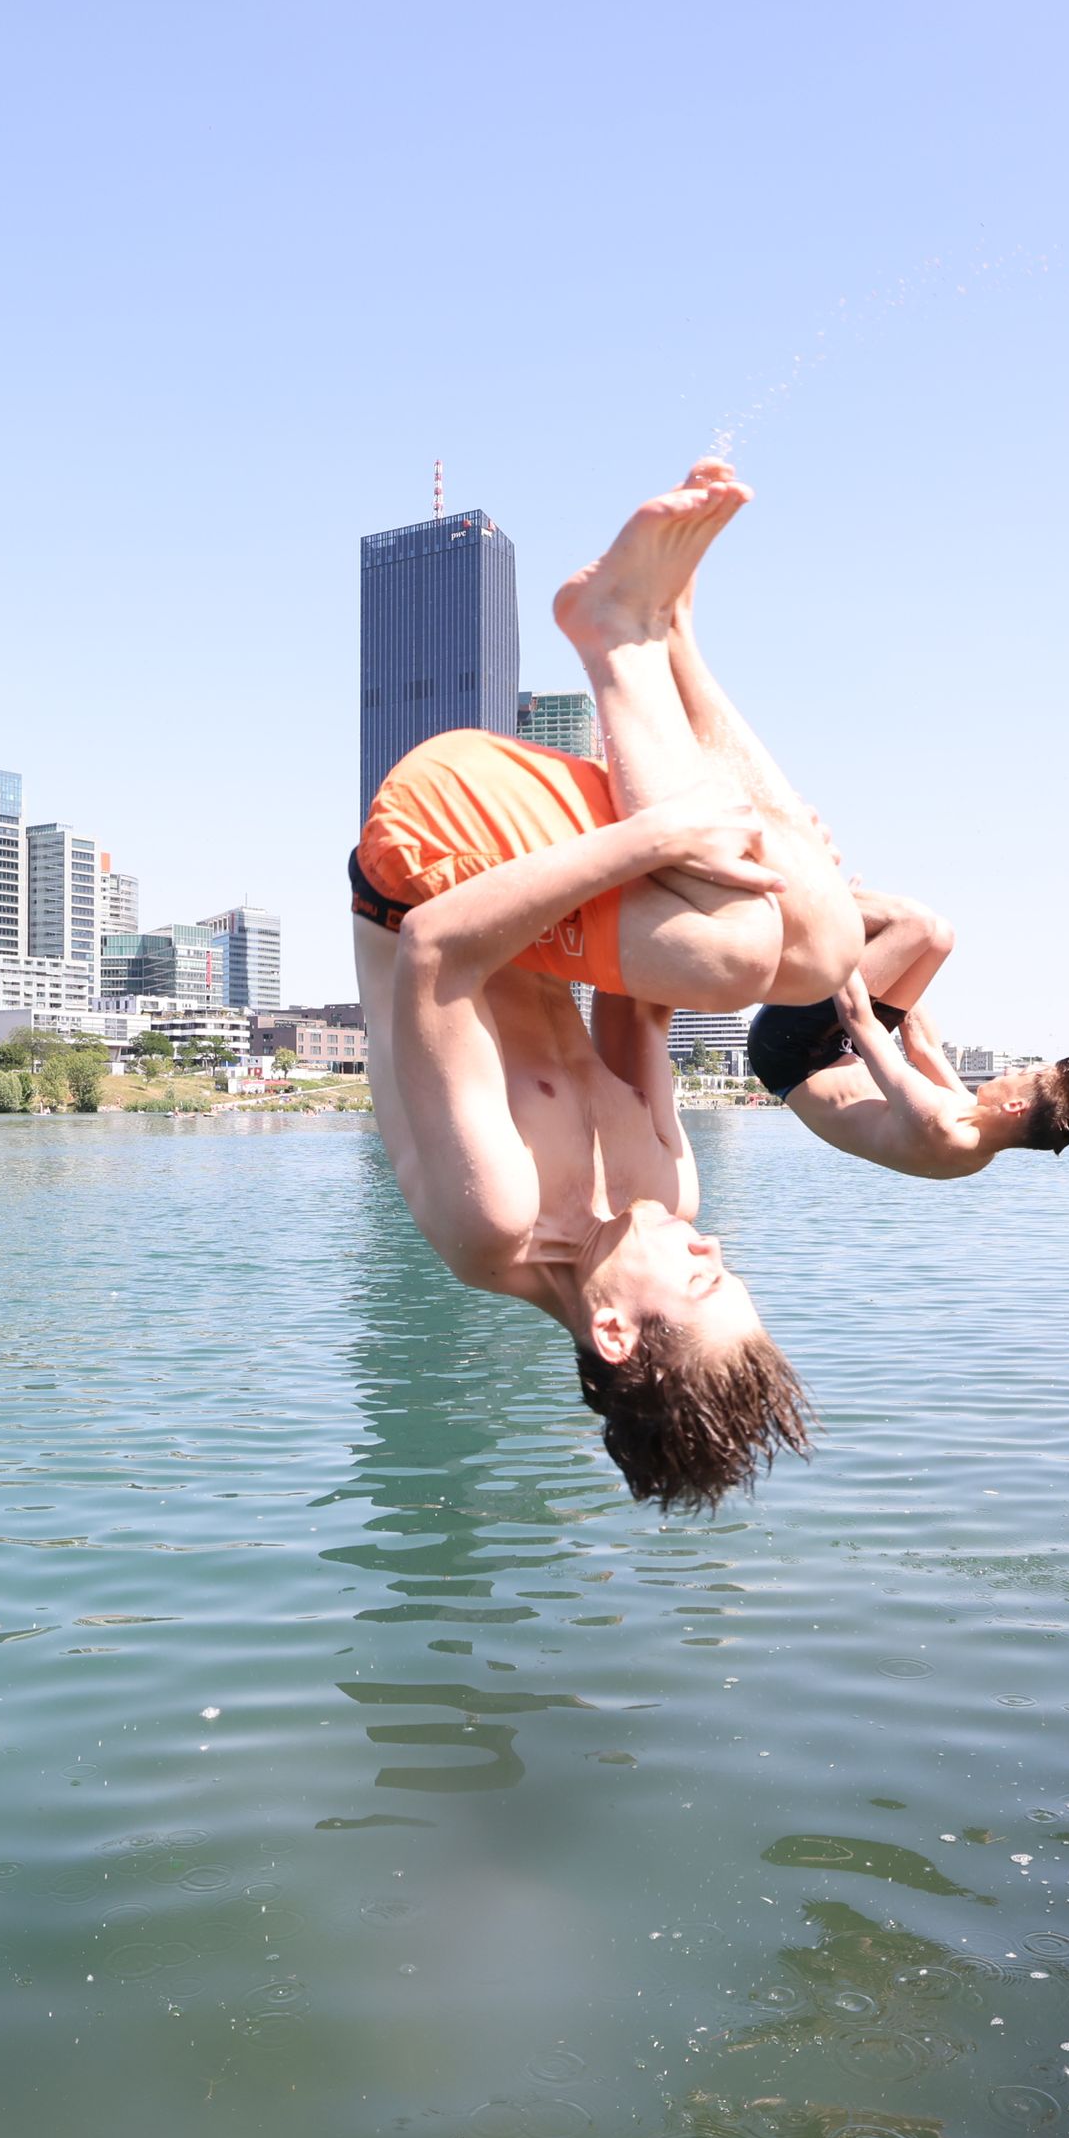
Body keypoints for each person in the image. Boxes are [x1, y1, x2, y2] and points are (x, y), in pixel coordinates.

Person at [353, 466, 827, 1508]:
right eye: (726, 1267)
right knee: (817, 942)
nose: (710, 1243)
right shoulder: (665, 1194)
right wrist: (785, 865)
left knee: (745, 952)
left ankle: (615, 627)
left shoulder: (497, 1221)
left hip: (433, 845)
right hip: (528, 866)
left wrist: (661, 835)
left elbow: (434, 951)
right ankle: (668, 633)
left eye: (703, 1278)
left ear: (613, 1330)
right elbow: (638, 997)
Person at [744, 892, 1069, 1177]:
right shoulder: (977, 1131)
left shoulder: (936, 1120)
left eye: (1023, 1075)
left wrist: (841, 936)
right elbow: (923, 1048)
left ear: (1015, 1107)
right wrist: (905, 962)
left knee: (914, 924)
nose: (1011, 1070)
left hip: (790, 1054)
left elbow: (857, 1016)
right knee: (939, 938)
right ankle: (830, 909)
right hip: (840, 1047)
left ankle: (801, 897)